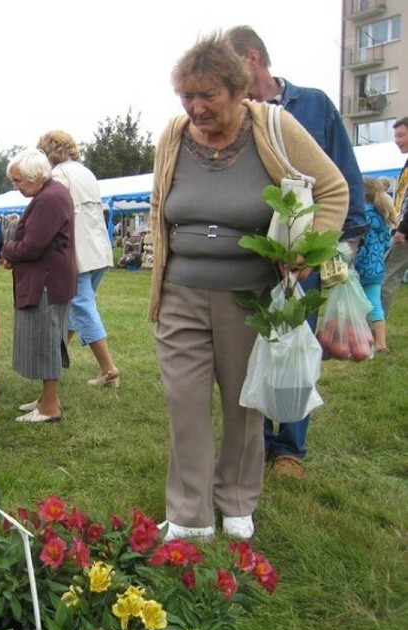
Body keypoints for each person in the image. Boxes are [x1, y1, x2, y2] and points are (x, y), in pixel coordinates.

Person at [149, 33, 348, 540]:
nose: (196, 108)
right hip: (180, 292)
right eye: (187, 97)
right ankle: (190, 513)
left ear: (238, 91)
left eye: (208, 96)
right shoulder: (173, 135)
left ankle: (237, 499)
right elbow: (159, 209)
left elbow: (333, 189)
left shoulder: (275, 125)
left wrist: (307, 251)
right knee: (185, 402)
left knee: (244, 402)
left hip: (251, 295)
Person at [226, 25, 368, 479]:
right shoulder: (237, 115)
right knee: (254, 344)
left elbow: (342, 176)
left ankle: (290, 446)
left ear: (251, 60)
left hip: (304, 255)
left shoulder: (314, 105)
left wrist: (342, 244)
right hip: (255, 252)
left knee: (297, 342)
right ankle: (257, 437)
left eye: (230, 72)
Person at [38, 130, 120, 388]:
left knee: (81, 306)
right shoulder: (86, 172)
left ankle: (108, 368)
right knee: (76, 309)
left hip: (78, 252)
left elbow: (54, 213)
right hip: (98, 250)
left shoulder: (58, 176)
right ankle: (54, 359)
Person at [1, 149, 76, 424]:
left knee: (46, 342)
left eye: (18, 180)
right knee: (49, 341)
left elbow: (33, 245)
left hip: (47, 282)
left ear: (35, 177)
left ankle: (50, 407)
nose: (15, 186)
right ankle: (47, 397)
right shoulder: (52, 193)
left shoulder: (49, 199)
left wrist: (8, 250)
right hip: (53, 279)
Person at [355, 177, 397, 354]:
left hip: (359, 268)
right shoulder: (383, 215)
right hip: (377, 269)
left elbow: (357, 243)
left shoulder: (360, 216)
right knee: (375, 305)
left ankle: (358, 341)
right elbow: (387, 244)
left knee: (355, 305)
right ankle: (381, 344)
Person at [381, 117, 408, 317]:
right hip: (401, 228)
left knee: (388, 276)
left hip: (404, 233)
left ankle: (373, 328)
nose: (397, 140)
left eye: (401, 135)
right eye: (395, 136)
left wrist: (403, 229)